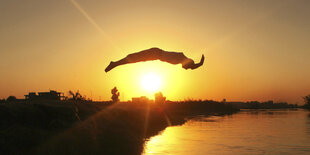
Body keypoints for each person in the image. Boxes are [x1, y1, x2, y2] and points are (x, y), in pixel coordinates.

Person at [105, 47, 205, 72]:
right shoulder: (181, 57)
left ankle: (115, 64)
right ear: (188, 63)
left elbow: (192, 66)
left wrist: (199, 64)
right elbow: (192, 66)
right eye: (187, 68)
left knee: (134, 58)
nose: (186, 69)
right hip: (155, 53)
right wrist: (199, 64)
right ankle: (114, 64)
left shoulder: (181, 59)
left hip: (155, 55)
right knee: (133, 58)